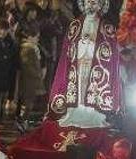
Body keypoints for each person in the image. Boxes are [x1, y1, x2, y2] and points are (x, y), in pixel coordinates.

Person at [47, 0, 122, 128]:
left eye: (94, 3)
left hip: (96, 67)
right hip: (78, 65)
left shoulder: (107, 27)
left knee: (92, 88)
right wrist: (82, 43)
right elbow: (69, 48)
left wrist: (92, 44)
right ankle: (75, 111)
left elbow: (110, 51)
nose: (91, 6)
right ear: (83, 4)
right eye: (88, 2)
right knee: (78, 87)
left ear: (100, 5)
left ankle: (92, 112)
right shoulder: (75, 25)